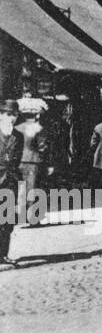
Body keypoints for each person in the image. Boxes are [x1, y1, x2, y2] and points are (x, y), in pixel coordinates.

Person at [14, 99, 50, 227]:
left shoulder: (17, 128)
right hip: (34, 161)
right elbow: (42, 147)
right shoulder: (39, 128)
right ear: (37, 114)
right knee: (33, 189)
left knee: (21, 189)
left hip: (18, 161)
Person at [1, 100, 23, 265]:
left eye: (14, 115)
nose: (12, 118)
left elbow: (17, 160)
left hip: (10, 183)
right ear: (1, 114)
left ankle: (3, 255)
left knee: (7, 220)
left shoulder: (18, 136)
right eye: (9, 114)